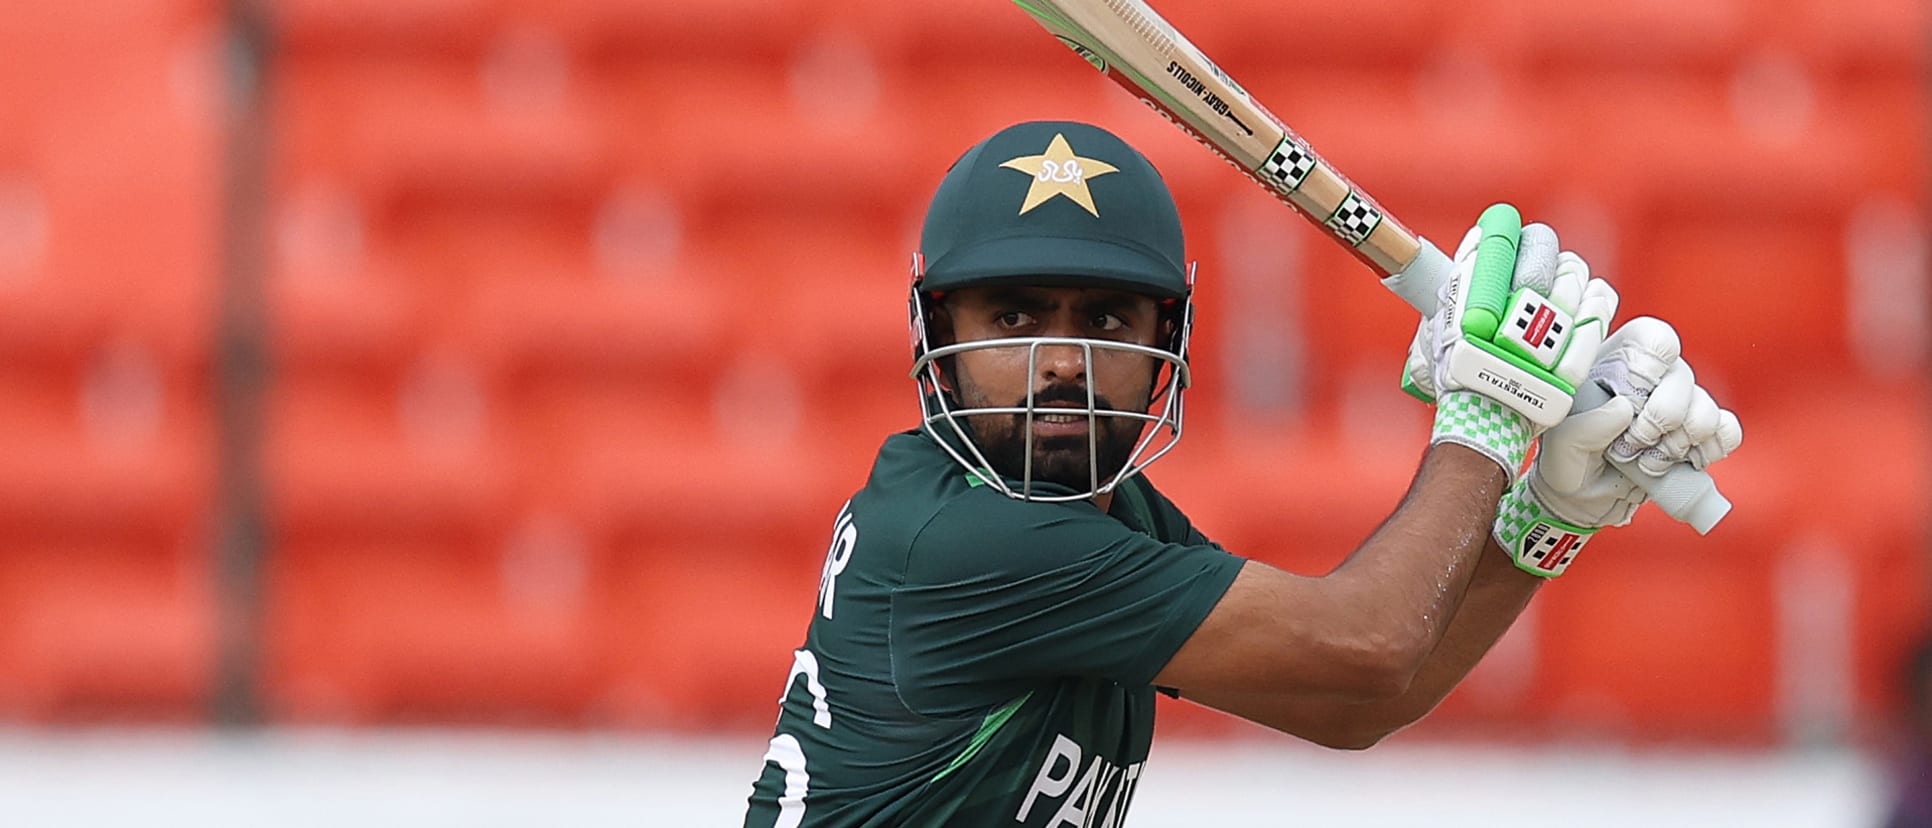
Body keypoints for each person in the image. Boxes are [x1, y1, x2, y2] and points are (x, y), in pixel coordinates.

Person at [743, 120, 1743, 827]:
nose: (1059, 360)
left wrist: (1548, 513)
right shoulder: (967, 542)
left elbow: (1353, 703)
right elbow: (1371, 645)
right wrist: (1485, 415)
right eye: (1012, 316)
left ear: (1166, 341)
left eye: (1104, 321)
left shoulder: (1108, 516)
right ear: (937, 336)